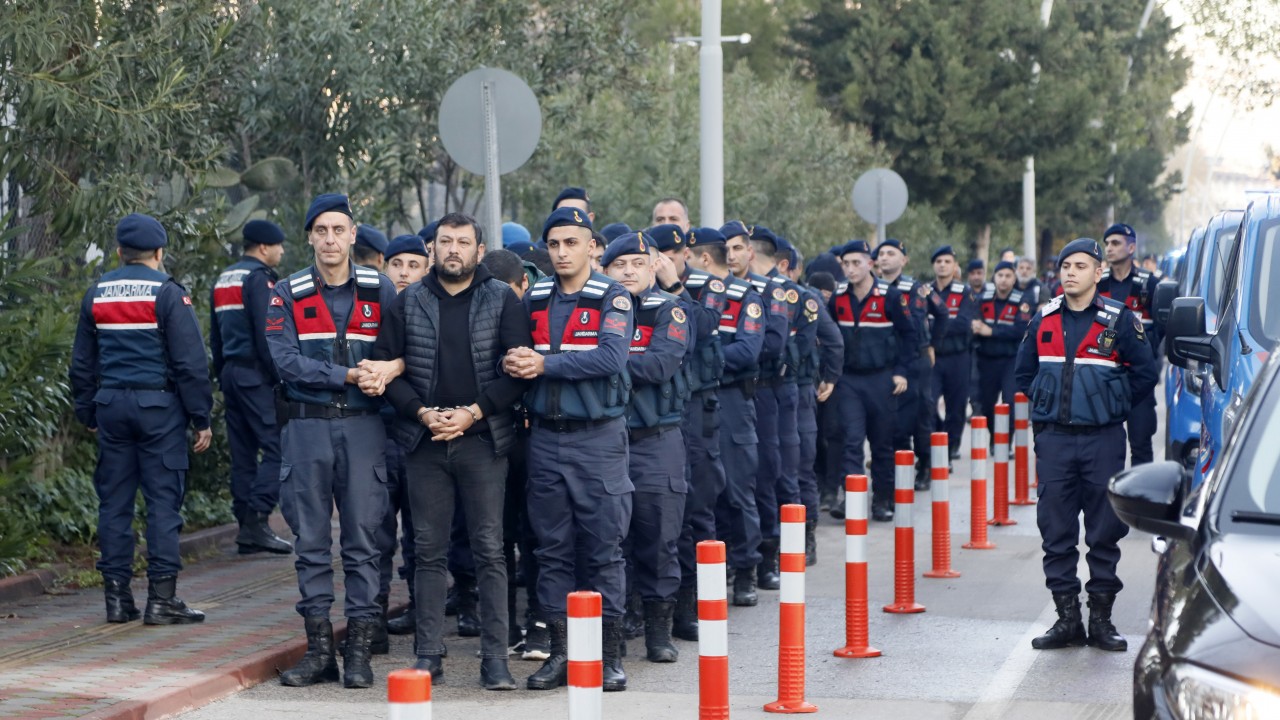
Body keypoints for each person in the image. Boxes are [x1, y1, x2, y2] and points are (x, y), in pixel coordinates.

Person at [366, 213, 528, 690]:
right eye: (445, 241)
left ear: (480, 251)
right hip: (425, 443)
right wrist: (420, 414)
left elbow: (517, 375)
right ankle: (428, 655)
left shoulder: (501, 299)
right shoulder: (407, 301)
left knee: (490, 550)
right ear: (432, 248)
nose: (453, 249)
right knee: (428, 552)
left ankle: (494, 659)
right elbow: (386, 372)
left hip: (481, 441)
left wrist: (473, 413)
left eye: (463, 242)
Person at [267, 193, 398, 689]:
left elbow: (401, 349)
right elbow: (284, 360)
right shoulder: (287, 292)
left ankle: (359, 651)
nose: (329, 239)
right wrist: (345, 374)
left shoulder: (380, 288)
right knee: (312, 542)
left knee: (365, 540)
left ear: (352, 233)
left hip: (365, 428)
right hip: (307, 429)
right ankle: (320, 650)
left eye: (338, 230)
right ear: (309, 237)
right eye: (320, 230)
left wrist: (390, 368)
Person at [505, 207, 634, 692]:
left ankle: (609, 656)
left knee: (603, 550)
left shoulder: (612, 296)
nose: (562, 253)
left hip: (597, 439)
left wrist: (542, 363)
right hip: (544, 439)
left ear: (592, 248)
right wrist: (514, 358)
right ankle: (560, 653)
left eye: (572, 243)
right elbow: (513, 351)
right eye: (554, 244)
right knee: (552, 550)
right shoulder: (534, 296)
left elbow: (610, 357)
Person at [1014, 238, 1157, 652]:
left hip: (1103, 440)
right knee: (1055, 532)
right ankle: (1067, 619)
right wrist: (1045, 416)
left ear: (1099, 273)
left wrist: (1109, 405)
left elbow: (1144, 374)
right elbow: (1023, 376)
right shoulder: (1043, 318)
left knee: (1103, 531)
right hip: (1055, 441)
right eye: (1065, 266)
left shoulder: (1119, 318)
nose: (1070, 272)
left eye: (1080, 266)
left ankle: (1101, 620)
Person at [71, 214, 213, 626]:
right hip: (159, 411)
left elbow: (82, 363)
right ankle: (161, 600)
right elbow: (190, 363)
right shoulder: (168, 293)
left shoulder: (96, 292)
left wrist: (88, 410)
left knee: (114, 504)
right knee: (162, 503)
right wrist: (200, 417)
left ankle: (117, 600)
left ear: (119, 252)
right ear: (159, 253)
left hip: (111, 408)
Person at [604, 232, 689, 663]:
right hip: (603, 441)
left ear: (653, 266)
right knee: (608, 542)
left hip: (655, 441)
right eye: (620, 265)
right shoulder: (596, 308)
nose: (629, 272)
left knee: (658, 537)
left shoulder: (669, 310)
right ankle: (618, 625)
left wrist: (601, 362)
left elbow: (660, 364)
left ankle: (660, 630)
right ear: (606, 270)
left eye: (638, 263)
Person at [210, 220, 292, 555]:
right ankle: (258, 518)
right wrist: (280, 378)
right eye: (278, 246)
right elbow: (267, 333)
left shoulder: (224, 278)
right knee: (278, 447)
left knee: (243, 452)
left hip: (231, 373)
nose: (282, 251)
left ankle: (246, 525)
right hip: (255, 375)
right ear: (263, 248)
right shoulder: (259, 279)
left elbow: (215, 335)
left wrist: (222, 372)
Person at [666, 226, 729, 639]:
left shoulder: (709, 287)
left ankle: (698, 604)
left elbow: (703, 325)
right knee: (663, 516)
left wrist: (674, 287)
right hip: (663, 409)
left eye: (674, 253)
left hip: (698, 408)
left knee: (698, 509)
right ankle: (656, 606)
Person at [828, 240, 916, 520]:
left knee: (881, 443)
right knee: (851, 440)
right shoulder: (838, 296)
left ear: (870, 264)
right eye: (846, 264)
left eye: (857, 263)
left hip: (882, 379)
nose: (851, 269)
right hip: (849, 380)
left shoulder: (889, 296)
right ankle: (852, 497)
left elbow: (909, 335)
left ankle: (882, 499)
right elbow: (829, 337)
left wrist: (901, 371)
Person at [374, 235, 431, 638]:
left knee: (421, 532)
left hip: (419, 435)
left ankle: (420, 610)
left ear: (426, 269)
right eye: (397, 264)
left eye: (414, 264)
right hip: (376, 434)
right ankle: (372, 619)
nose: (405, 273)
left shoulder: (431, 310)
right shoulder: (371, 309)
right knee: (375, 531)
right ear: (385, 267)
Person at [714, 221, 770, 605]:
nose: (732, 257)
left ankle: (747, 567)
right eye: (727, 250)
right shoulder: (696, 296)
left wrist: (702, 358)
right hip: (697, 400)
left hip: (734, 400)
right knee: (705, 494)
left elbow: (748, 351)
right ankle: (716, 566)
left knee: (738, 490)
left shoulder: (745, 298)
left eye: (737, 249)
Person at [781, 238, 841, 561]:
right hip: (767, 390)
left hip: (802, 386)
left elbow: (833, 341)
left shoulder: (807, 299)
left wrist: (829, 378)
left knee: (801, 465)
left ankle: (807, 538)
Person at [874, 239, 948, 491]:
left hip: (916, 359)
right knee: (893, 417)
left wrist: (933, 345)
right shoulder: (874, 288)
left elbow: (941, 314)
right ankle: (898, 464)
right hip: (888, 361)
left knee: (920, 414)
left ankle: (925, 464)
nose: (885, 258)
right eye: (881, 254)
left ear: (903, 260)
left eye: (891, 253)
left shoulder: (915, 288)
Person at [1098, 223, 1162, 466]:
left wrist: (1143, 347)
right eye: (1107, 244)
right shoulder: (1099, 284)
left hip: (1139, 375)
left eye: (1115, 243)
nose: (1109, 248)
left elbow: (1161, 323)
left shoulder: (1149, 284)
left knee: (1141, 442)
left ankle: (1139, 499)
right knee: (1105, 446)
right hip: (1106, 374)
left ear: (1131, 247)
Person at [930, 246, 978, 460]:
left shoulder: (964, 292)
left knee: (956, 405)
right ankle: (937, 440)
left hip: (958, 356)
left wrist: (936, 325)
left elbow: (963, 323)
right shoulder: (925, 291)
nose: (942, 264)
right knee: (928, 402)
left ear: (954, 266)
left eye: (947, 261)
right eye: (939, 261)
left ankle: (951, 446)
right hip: (932, 357)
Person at [972, 260, 1032, 430]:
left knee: (1010, 401)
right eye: (1000, 275)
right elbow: (975, 323)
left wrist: (991, 331)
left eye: (1008, 276)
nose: (1003, 279)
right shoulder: (982, 299)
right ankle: (994, 439)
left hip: (1011, 360)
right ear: (994, 278)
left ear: (1014, 279)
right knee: (986, 403)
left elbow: (1021, 330)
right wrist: (976, 327)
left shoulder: (1023, 301)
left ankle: (1007, 440)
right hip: (986, 359)